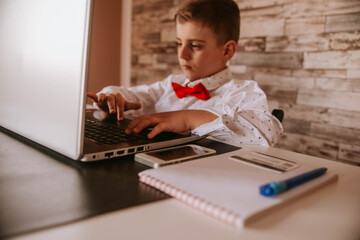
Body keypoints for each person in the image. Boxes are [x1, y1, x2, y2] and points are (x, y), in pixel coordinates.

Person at [87, 0, 283, 147]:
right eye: (179, 43)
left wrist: (188, 118)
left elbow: (266, 133)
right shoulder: (172, 84)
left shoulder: (243, 92)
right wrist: (113, 97)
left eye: (195, 45)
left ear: (227, 51)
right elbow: (139, 95)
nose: (182, 54)